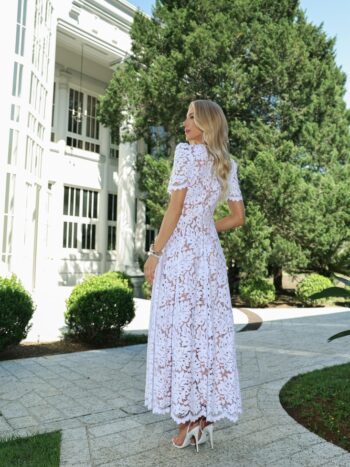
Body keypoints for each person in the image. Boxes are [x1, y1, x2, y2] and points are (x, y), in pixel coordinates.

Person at [144, 99, 245, 452]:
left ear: (207, 124)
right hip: (209, 258)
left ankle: (187, 421)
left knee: (181, 330)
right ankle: (203, 418)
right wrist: (207, 227)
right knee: (206, 334)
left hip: (182, 257)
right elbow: (237, 217)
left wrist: (155, 254)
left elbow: (174, 210)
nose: (185, 123)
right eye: (186, 116)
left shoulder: (186, 155)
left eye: (192, 117)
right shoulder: (226, 165)